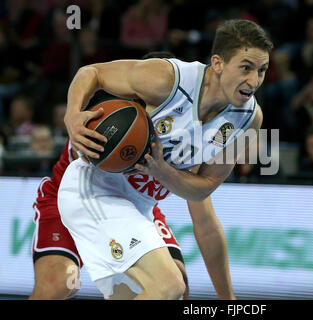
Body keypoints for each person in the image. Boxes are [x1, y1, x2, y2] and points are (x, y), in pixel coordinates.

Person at [59, 19, 270, 300]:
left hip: (140, 207)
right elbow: (92, 72)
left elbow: (203, 187)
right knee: (170, 285)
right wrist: (72, 115)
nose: (254, 81)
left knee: (170, 293)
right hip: (95, 190)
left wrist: (160, 170)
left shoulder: (248, 119)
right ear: (218, 63)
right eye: (246, 68)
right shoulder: (168, 79)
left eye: (262, 71)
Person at [29, 54, 233, 300]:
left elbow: (207, 225)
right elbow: (90, 73)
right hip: (72, 203)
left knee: (176, 286)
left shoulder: (186, 148)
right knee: (59, 284)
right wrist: (72, 116)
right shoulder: (113, 121)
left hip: (135, 208)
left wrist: (228, 299)